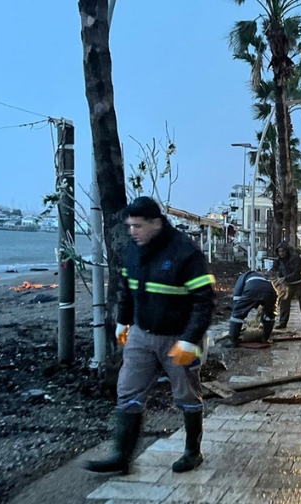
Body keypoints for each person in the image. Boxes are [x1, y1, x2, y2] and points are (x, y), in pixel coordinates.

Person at [84, 197, 215, 474]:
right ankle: (121, 455)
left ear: (156, 222)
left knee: (187, 395)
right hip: (142, 335)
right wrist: (123, 322)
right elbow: (129, 289)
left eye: (138, 226)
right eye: (130, 226)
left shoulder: (185, 252)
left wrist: (190, 339)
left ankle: (193, 452)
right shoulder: (133, 251)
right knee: (128, 392)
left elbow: (204, 301)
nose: (133, 232)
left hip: (178, 337)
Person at [222, 270, 277, 347]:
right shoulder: (260, 276)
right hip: (270, 289)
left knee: (237, 314)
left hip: (253, 288)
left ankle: (232, 340)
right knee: (269, 314)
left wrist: (238, 316)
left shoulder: (241, 277)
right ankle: (265, 338)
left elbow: (237, 299)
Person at [271, 240, 301, 330]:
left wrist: (284, 279)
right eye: (279, 251)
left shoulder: (295, 258)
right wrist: (277, 279)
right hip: (288, 284)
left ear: (287, 251)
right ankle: (282, 322)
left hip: (300, 283)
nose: (281, 253)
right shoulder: (279, 260)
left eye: (283, 251)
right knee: (284, 302)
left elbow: (297, 272)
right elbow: (277, 270)